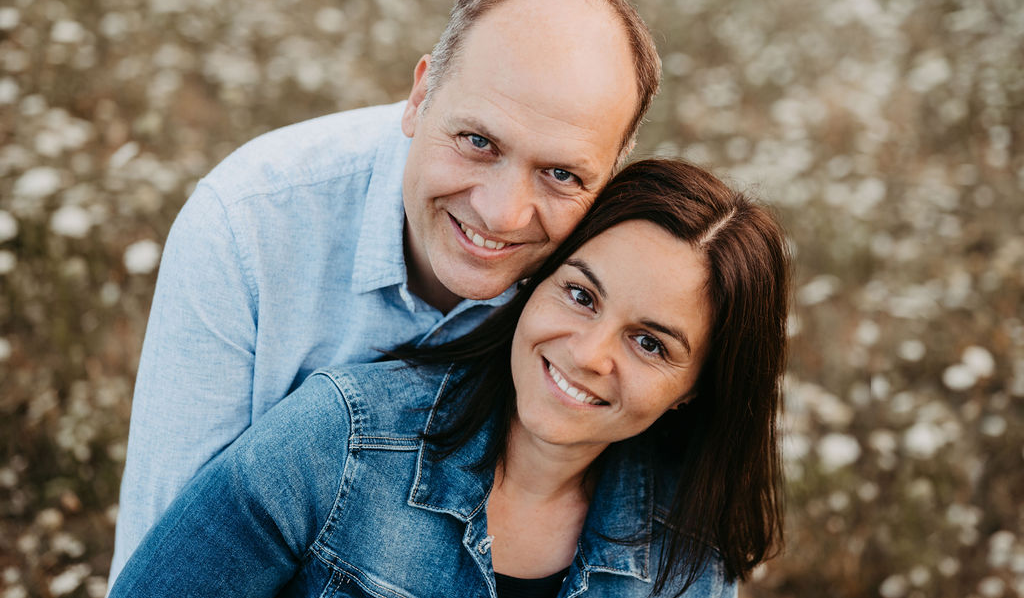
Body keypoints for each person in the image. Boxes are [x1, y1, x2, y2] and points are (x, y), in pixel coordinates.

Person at [111, 0, 661, 580]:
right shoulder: (247, 226)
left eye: (561, 174)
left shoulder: (606, 273)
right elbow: (169, 564)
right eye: (479, 142)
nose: (502, 214)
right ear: (421, 96)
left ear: (610, 175)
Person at [109, 159, 789, 598]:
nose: (587, 354)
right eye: (581, 296)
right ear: (537, 282)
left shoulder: (687, 560)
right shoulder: (340, 439)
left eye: (649, 342)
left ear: (698, 386)